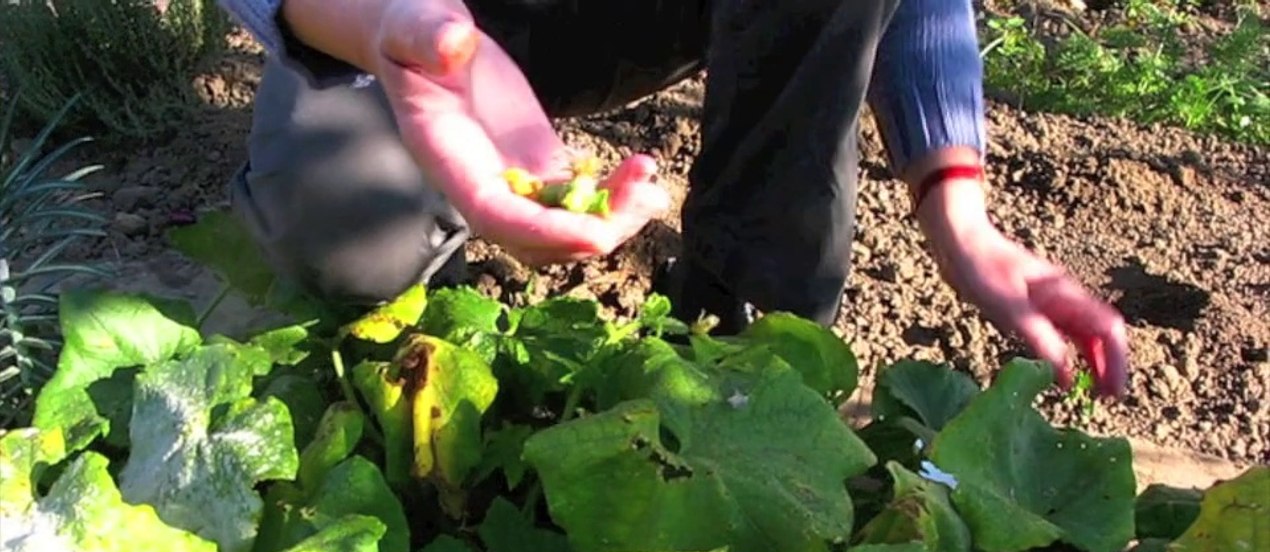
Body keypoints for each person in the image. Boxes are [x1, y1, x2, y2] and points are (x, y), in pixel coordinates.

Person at [215, 0, 1129, 398]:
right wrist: (379, 22)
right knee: (349, 240)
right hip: (399, 11)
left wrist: (956, 204)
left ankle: (742, 355)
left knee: (752, 388)